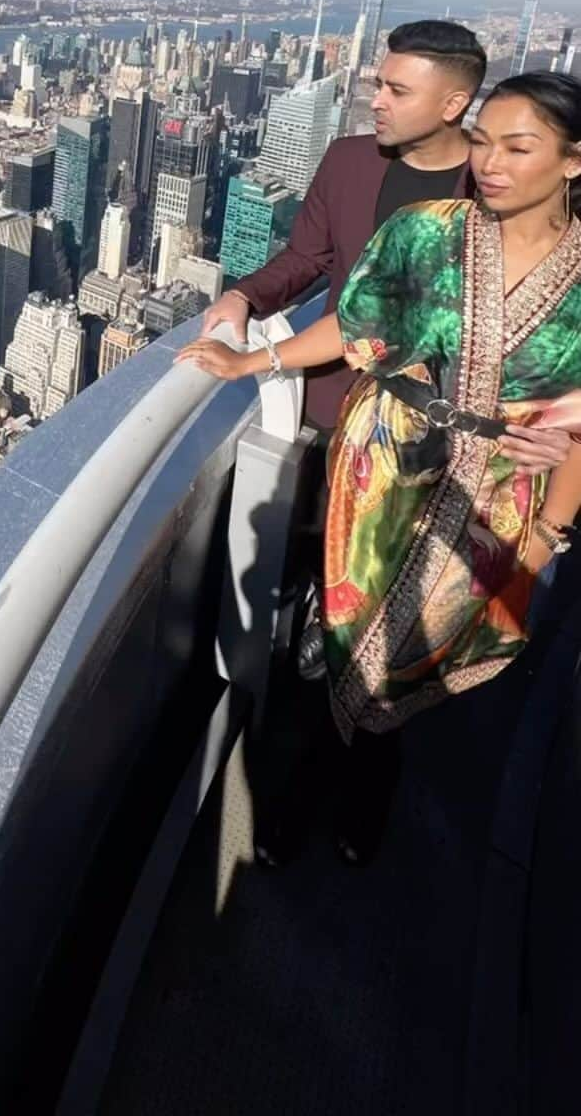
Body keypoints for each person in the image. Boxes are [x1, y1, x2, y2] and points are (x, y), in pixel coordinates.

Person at [178, 72, 581, 854]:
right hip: (383, 466)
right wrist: (254, 362)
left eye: (518, 146)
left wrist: (547, 536)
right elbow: (356, 329)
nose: (491, 162)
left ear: (572, 161)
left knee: (407, 664)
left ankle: (363, 789)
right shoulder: (424, 232)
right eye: (483, 143)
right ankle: (299, 805)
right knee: (337, 642)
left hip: (499, 492)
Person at [202, 18, 571, 475]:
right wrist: (244, 296)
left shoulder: (502, 192)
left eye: (398, 91)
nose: (376, 101)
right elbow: (307, 256)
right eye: (379, 85)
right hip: (337, 403)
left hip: (451, 439)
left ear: (452, 105)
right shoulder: (348, 160)